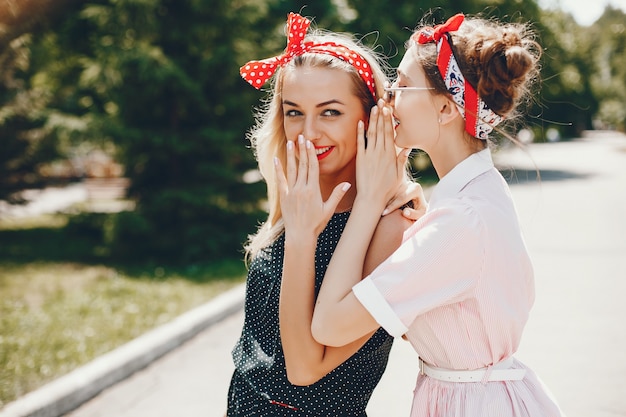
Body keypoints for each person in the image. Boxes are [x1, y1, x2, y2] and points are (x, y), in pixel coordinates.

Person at [297, 13, 564, 417]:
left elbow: (329, 325)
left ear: (444, 108)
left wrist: (368, 201)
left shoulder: (460, 222)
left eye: (402, 85)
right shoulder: (475, 197)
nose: (387, 98)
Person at [227, 12, 421, 416]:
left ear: (370, 117)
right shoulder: (300, 191)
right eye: (294, 111)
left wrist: (302, 236)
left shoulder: (391, 223)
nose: (307, 132)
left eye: (329, 112)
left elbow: (304, 369)